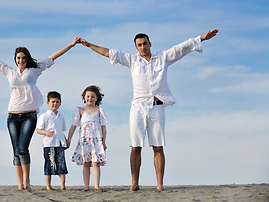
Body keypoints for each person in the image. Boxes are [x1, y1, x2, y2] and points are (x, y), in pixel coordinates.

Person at [79, 29, 219, 192]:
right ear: (136, 47)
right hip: (138, 108)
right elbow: (108, 52)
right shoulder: (131, 60)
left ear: (150, 44)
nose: (143, 46)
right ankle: (134, 183)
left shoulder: (163, 57)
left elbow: (182, 48)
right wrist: (89, 45)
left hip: (157, 107)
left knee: (158, 147)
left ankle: (159, 184)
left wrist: (201, 38)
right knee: (135, 147)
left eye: (145, 43)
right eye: (139, 45)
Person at [0, 37, 80, 191]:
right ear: (15, 59)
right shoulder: (9, 71)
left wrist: (71, 45)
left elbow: (53, 56)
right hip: (12, 116)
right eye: (18, 58)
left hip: (29, 116)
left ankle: (27, 181)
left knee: (22, 149)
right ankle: (20, 185)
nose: (21, 60)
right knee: (16, 151)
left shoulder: (35, 70)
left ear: (27, 59)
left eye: (24, 58)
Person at [67, 85, 108, 192]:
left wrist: (104, 142)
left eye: (92, 96)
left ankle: (96, 186)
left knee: (96, 163)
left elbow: (104, 128)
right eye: (88, 96)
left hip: (96, 140)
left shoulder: (99, 111)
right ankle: (86, 186)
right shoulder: (80, 110)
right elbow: (73, 126)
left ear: (97, 98)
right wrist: (69, 139)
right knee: (86, 163)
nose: (90, 98)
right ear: (84, 97)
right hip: (84, 140)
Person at [36, 91, 68, 191]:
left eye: (57, 102)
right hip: (49, 144)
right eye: (53, 102)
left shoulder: (61, 116)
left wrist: (65, 140)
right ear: (48, 102)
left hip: (60, 144)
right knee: (49, 164)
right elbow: (38, 130)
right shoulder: (44, 116)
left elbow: (61, 131)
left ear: (60, 103)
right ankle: (48, 186)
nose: (55, 104)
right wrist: (45, 132)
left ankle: (63, 186)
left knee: (61, 164)